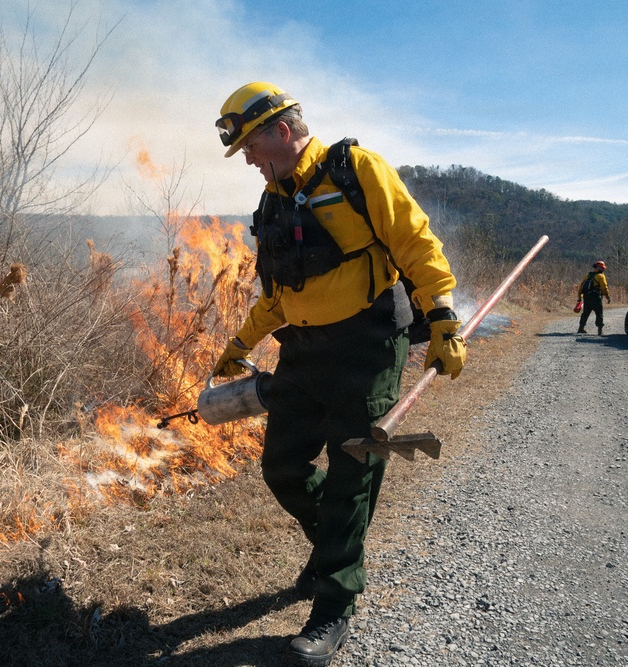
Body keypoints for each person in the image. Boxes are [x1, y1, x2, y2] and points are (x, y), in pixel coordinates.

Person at [211, 82, 466, 667]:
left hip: (369, 344)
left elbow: (418, 242)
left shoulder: (355, 170)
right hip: (302, 349)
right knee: (281, 465)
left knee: (353, 471)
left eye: (250, 145)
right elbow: (277, 294)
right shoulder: (273, 200)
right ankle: (336, 548)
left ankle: (334, 608)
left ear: (281, 130)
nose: (247, 158)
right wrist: (239, 341)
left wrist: (444, 320)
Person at [577, 260, 611, 335]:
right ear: (598, 268)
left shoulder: (587, 275)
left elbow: (581, 286)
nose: (603, 269)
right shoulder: (601, 276)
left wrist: (580, 297)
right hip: (596, 297)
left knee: (585, 313)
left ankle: (581, 328)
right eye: (602, 268)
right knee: (599, 313)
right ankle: (600, 331)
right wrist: (607, 296)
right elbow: (604, 287)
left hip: (587, 297)